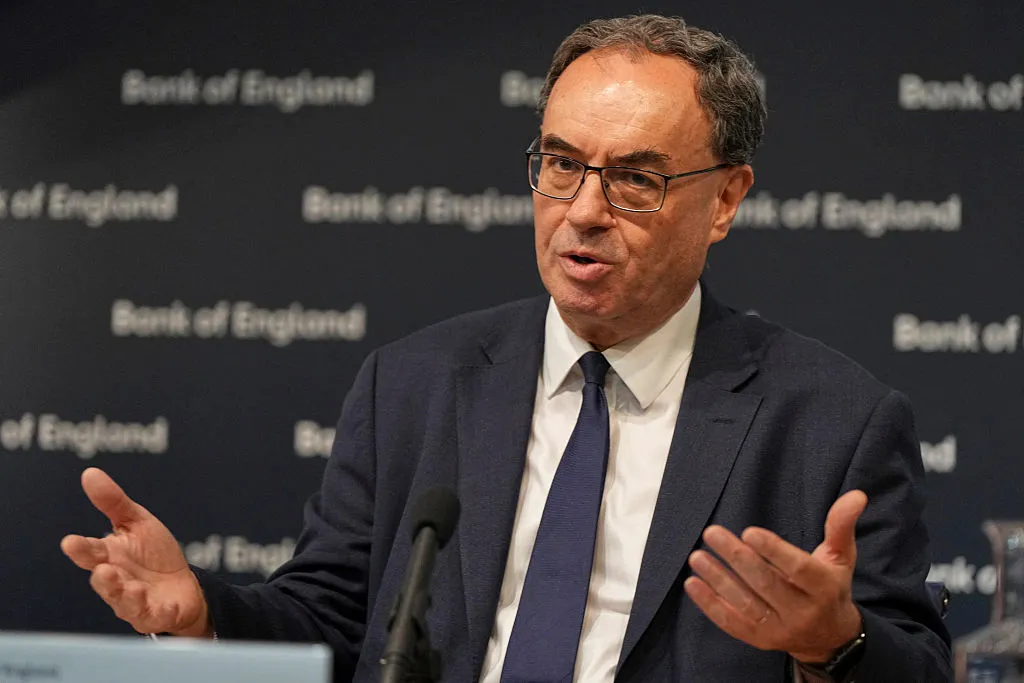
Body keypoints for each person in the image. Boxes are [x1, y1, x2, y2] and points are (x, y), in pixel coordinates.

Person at [61, 13, 952, 683]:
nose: (585, 209)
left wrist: (834, 643)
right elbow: (333, 618)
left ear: (724, 200)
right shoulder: (411, 384)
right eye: (562, 163)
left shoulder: (832, 422)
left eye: (636, 178)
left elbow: (911, 660)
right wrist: (203, 615)